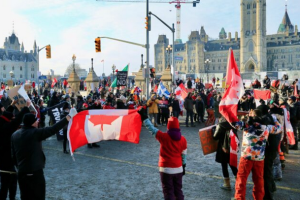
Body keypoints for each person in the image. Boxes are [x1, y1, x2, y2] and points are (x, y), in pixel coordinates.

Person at [11, 109, 76, 200]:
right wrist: (68, 117)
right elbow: (53, 129)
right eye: (35, 120)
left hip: (22, 172)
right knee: (39, 196)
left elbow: (13, 155)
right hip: (35, 172)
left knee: (25, 197)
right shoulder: (35, 133)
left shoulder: (15, 135)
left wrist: (19, 167)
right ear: (32, 123)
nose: (38, 122)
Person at [138, 108, 187, 200]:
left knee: (168, 191)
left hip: (166, 169)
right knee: (178, 191)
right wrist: (183, 166)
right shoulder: (183, 139)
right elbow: (184, 155)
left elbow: (152, 129)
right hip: (178, 168)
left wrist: (144, 117)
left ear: (168, 126)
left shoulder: (164, 137)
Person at [234, 109, 280, 200]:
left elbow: (233, 123)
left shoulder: (247, 126)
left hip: (246, 157)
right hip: (259, 158)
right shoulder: (267, 127)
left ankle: (239, 197)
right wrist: (274, 118)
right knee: (259, 181)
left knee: (241, 180)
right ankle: (259, 198)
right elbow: (279, 128)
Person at [0, 100, 31, 200]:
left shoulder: (1, 122)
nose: (3, 109)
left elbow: (6, 116)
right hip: (7, 161)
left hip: (3, 161)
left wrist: (12, 106)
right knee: (8, 185)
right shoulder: (6, 128)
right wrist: (26, 107)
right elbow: (16, 121)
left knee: (6, 184)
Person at [213, 117, 239, 190]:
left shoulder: (221, 124)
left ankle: (227, 184)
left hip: (223, 148)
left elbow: (215, 137)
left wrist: (214, 130)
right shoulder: (233, 123)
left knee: (224, 166)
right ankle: (239, 183)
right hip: (232, 147)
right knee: (233, 165)